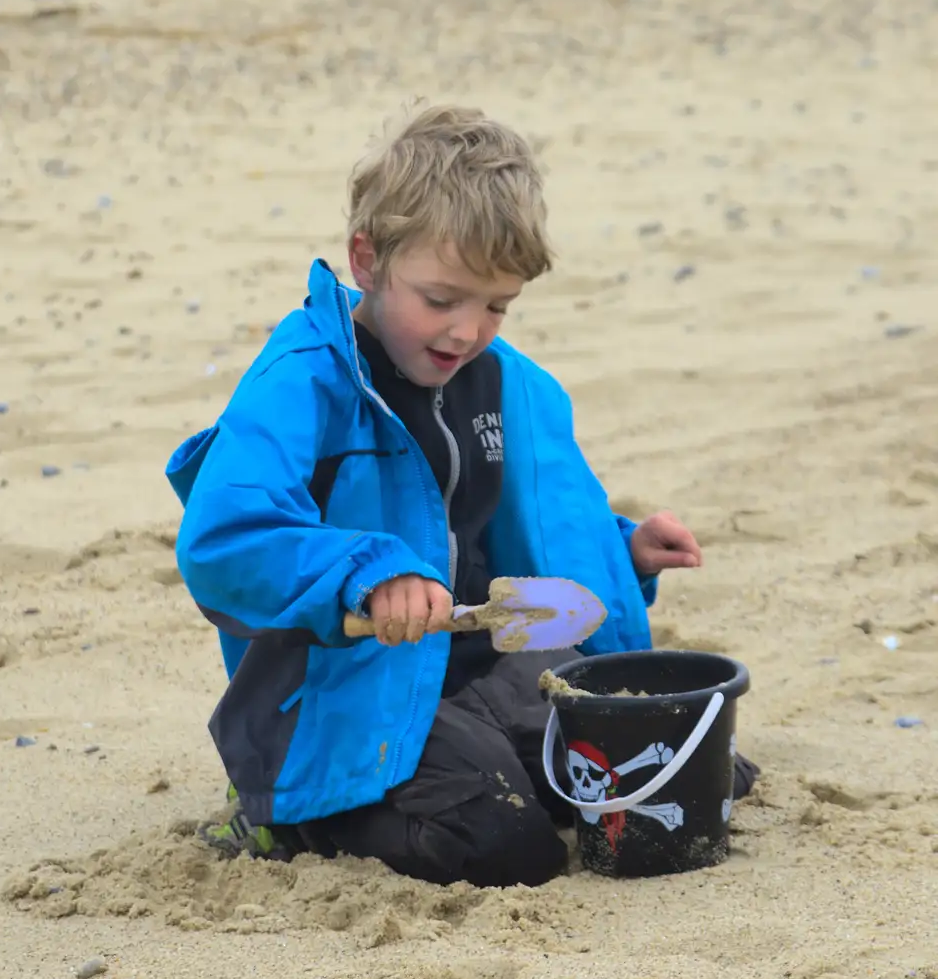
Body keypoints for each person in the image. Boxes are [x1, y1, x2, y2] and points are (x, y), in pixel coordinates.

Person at [165, 105, 756, 889]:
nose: (468, 331)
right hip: (344, 685)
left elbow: (505, 535)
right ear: (366, 259)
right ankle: (288, 812)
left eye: (497, 305)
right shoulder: (301, 384)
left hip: (479, 658)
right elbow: (227, 538)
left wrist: (622, 549)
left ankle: (475, 761)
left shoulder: (498, 381)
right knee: (508, 849)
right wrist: (368, 573)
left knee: (675, 774)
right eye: (442, 299)